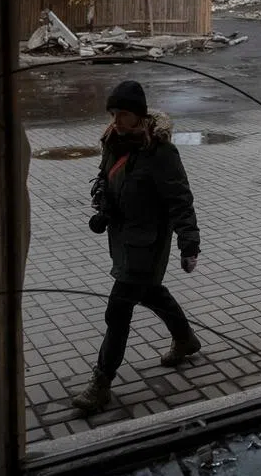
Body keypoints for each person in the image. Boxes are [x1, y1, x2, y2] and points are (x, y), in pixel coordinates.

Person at [72, 80, 202, 413]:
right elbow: (105, 178)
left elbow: (180, 199)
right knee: (150, 293)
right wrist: (104, 208)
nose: (116, 120)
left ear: (139, 114)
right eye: (113, 113)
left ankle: (101, 382)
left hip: (149, 243)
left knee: (118, 308)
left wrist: (189, 243)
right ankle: (185, 339)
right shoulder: (113, 142)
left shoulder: (159, 151)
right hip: (124, 239)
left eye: (123, 113)